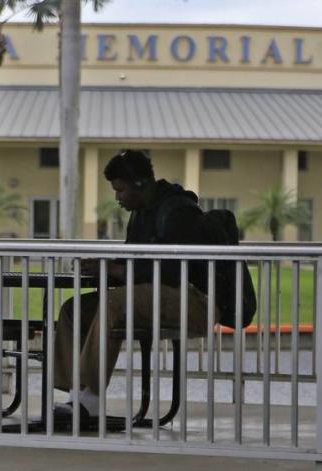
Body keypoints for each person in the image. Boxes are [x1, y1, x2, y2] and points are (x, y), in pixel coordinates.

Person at [52, 149, 212, 422]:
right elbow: (134, 266)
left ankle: (90, 399)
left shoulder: (179, 211)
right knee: (74, 309)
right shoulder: (140, 214)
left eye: (121, 190)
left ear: (141, 183)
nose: (117, 198)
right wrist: (106, 268)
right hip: (155, 295)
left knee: (114, 304)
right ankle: (75, 394)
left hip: (192, 299)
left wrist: (117, 269)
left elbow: (173, 272)